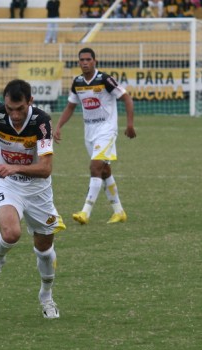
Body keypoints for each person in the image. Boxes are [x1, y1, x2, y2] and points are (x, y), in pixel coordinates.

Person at [0, 79, 66, 319]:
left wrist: (14, 167)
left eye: (20, 109)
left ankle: (46, 296)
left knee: (45, 248)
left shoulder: (41, 122)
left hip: (38, 191)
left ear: (30, 102)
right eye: (10, 109)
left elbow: (46, 168)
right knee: (11, 233)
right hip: (6, 183)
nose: (15, 115)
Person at [53, 48, 136, 225]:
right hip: (89, 132)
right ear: (78, 62)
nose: (85, 62)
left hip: (106, 130)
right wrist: (59, 125)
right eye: (82, 60)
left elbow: (126, 98)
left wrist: (129, 124)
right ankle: (119, 211)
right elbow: (70, 107)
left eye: (88, 59)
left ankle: (85, 212)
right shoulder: (77, 82)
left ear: (94, 61)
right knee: (104, 170)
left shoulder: (105, 79)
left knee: (95, 167)